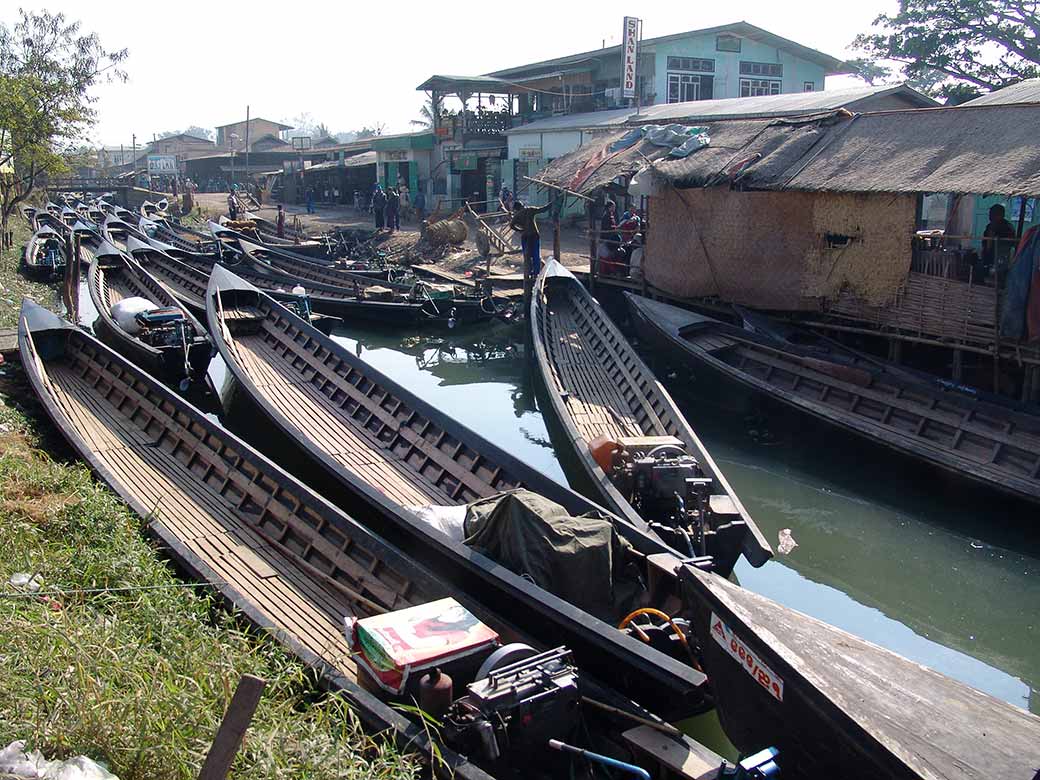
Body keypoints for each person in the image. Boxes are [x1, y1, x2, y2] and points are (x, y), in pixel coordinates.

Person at [509, 199, 552, 278]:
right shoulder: (530, 209)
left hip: (525, 236)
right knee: (536, 254)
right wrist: (553, 202)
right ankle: (536, 273)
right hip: (534, 235)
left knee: (527, 255)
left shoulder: (517, 215)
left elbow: (511, 226)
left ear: (516, 209)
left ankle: (528, 272)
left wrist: (520, 230)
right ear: (522, 205)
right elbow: (543, 209)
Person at [981, 203, 1018, 280]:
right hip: (997, 257)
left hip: (998, 257)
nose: (989, 216)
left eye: (992, 214)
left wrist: (987, 252)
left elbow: (990, 243)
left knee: (994, 274)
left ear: (1000, 215)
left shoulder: (1001, 226)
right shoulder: (993, 226)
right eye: (990, 214)